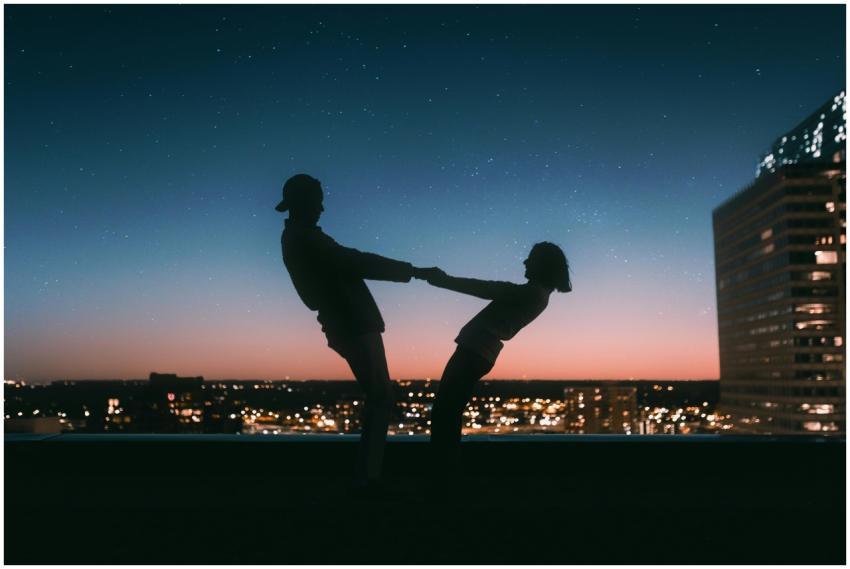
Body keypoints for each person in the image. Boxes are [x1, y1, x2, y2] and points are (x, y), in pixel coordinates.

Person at [276, 173, 434, 490]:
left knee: (380, 395)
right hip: (351, 322)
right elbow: (355, 261)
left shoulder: (301, 237)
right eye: (318, 200)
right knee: (381, 396)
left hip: (348, 322)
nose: (323, 208)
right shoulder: (306, 239)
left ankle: (369, 473)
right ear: (305, 202)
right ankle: (369, 477)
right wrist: (411, 271)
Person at [420, 242, 572, 473]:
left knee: (445, 412)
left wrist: (444, 280)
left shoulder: (531, 293)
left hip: (475, 350)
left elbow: (486, 288)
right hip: (480, 351)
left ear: (543, 264)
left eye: (531, 258)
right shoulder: (538, 294)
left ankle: (442, 472)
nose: (525, 261)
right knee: (448, 411)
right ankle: (443, 470)